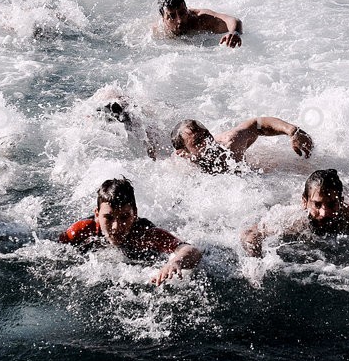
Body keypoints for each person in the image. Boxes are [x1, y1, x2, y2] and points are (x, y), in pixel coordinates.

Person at [58, 178, 202, 285]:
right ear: (97, 214)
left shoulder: (146, 234)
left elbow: (191, 249)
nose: (116, 227)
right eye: (108, 218)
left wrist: (175, 263)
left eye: (125, 217)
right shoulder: (84, 230)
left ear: (135, 214)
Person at [241, 169, 349, 257]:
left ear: (341, 202)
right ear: (305, 202)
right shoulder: (292, 219)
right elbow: (249, 233)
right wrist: (255, 261)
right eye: (317, 204)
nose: (324, 213)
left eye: (331, 204)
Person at [171, 117, 313, 174]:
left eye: (207, 135)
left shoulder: (230, 144)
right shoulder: (182, 169)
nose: (208, 142)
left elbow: (257, 124)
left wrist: (292, 131)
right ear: (184, 153)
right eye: (198, 142)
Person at [156, 0, 242, 48]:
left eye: (182, 13)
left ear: (186, 9)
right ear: (163, 18)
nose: (179, 20)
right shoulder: (157, 31)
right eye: (172, 16)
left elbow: (234, 20)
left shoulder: (201, 19)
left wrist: (234, 32)